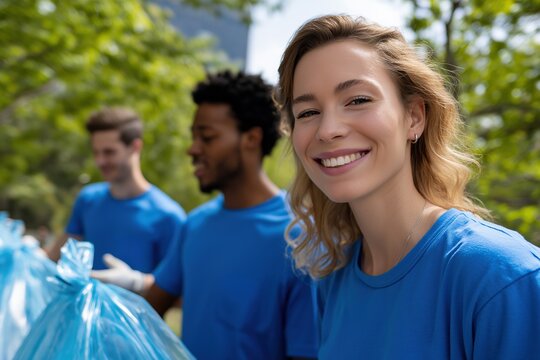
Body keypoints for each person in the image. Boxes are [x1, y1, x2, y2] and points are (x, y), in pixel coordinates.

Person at [275, 14, 540, 359]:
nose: (327, 130)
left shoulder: (503, 278)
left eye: (357, 100)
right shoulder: (333, 281)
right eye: (307, 112)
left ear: (414, 116)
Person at [93, 71, 319, 359]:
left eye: (207, 137)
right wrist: (133, 284)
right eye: (193, 137)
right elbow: (156, 303)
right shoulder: (196, 225)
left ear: (251, 138)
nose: (192, 149)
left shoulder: (298, 237)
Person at [46, 107, 186, 292]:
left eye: (109, 152)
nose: (100, 161)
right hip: (83, 319)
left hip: (134, 320)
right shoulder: (88, 200)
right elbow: (55, 256)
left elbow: (179, 291)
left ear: (135, 147)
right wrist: (22, 252)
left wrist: (137, 283)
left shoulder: (168, 216)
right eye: (96, 152)